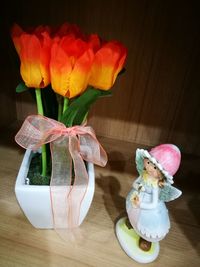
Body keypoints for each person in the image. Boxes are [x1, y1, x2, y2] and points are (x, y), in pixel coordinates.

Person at [116, 144, 182, 263]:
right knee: (132, 213)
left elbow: (153, 204)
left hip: (146, 208)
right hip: (137, 198)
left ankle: (145, 238)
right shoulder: (144, 175)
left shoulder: (156, 186)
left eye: (155, 168)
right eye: (149, 163)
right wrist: (138, 187)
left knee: (145, 224)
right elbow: (135, 184)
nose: (150, 167)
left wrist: (140, 205)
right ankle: (131, 223)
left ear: (161, 174)